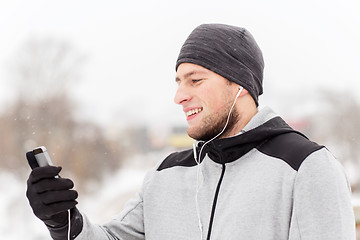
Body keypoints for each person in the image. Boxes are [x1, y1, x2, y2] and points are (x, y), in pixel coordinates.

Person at [26, 23, 356, 240]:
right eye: (179, 82)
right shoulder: (166, 175)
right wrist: (62, 220)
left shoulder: (305, 167)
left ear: (238, 84)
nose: (179, 96)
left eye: (195, 80)